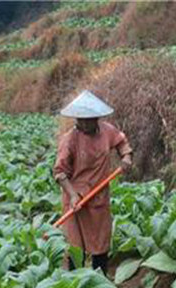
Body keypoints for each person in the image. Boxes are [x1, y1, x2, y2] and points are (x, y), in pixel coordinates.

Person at [53, 90, 133, 275]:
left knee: (100, 245)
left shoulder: (107, 131)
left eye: (90, 119)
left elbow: (122, 143)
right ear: (77, 119)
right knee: (76, 247)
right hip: (77, 201)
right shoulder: (70, 140)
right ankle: (76, 284)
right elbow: (60, 173)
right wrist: (72, 195)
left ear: (97, 118)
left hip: (99, 197)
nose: (86, 123)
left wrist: (126, 157)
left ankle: (100, 283)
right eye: (82, 119)